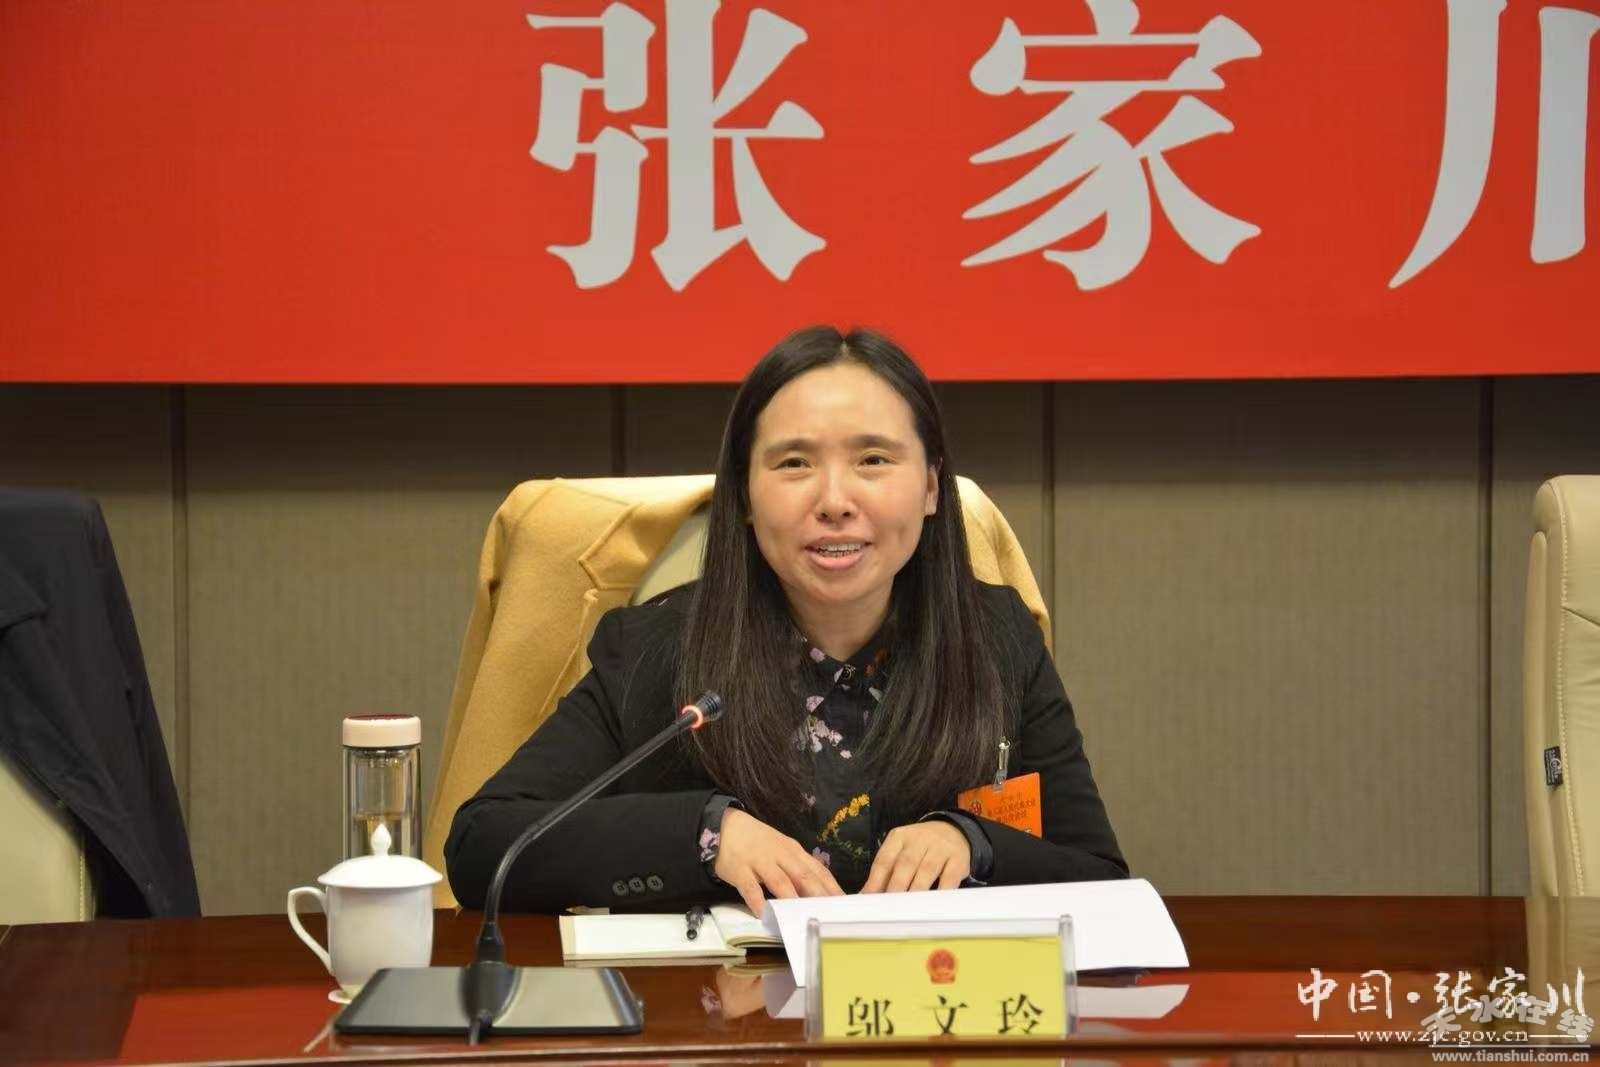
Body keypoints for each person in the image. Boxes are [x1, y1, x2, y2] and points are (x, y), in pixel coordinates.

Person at [445, 325, 1125, 914]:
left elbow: (1101, 878)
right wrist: (704, 834)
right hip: (721, 1010)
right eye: (794, 463)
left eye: (873, 460)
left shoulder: (996, 639)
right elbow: (483, 844)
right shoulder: (657, 651)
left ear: (928, 486)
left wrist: (973, 842)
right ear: (744, 495)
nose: (834, 500)